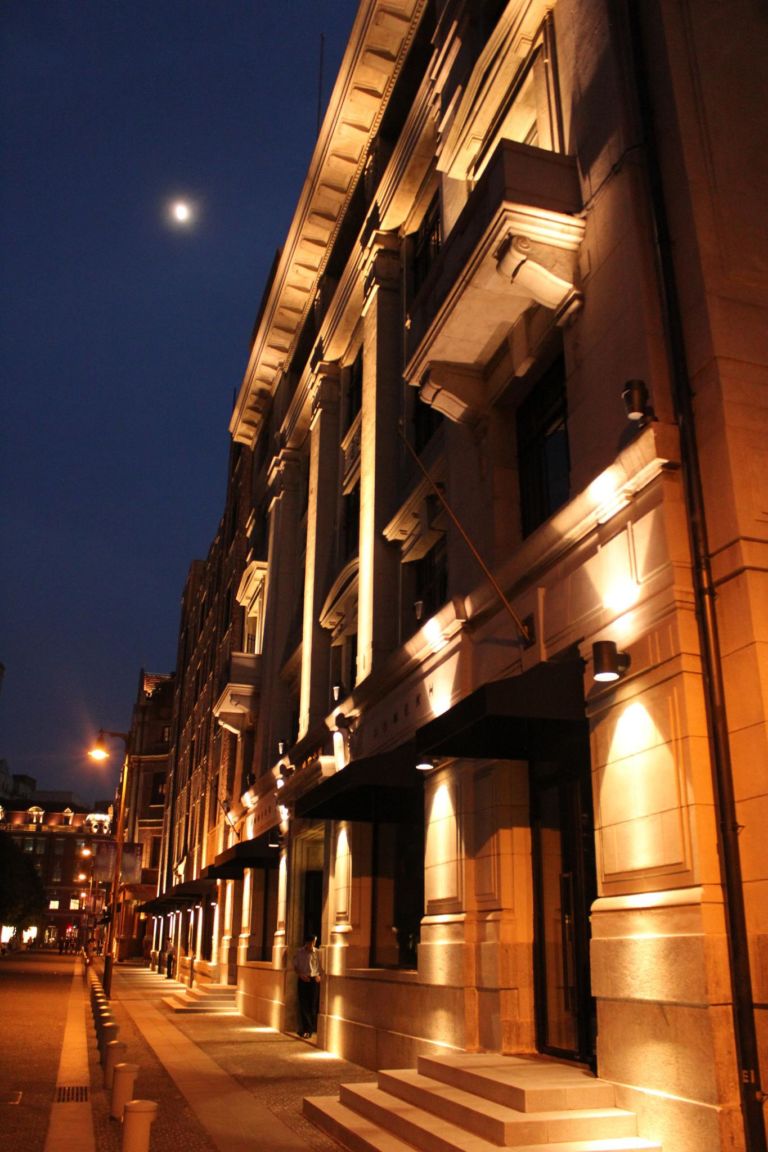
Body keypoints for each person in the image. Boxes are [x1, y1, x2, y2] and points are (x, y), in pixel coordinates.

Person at [292, 934, 321, 1037]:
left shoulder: (317, 952)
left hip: (313, 980)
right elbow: (295, 966)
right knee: (303, 1005)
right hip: (303, 979)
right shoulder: (300, 952)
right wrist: (300, 975)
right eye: (312, 942)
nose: (313, 944)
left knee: (312, 1005)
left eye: (314, 942)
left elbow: (321, 965)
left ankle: (309, 1030)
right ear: (308, 942)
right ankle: (305, 1029)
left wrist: (319, 975)